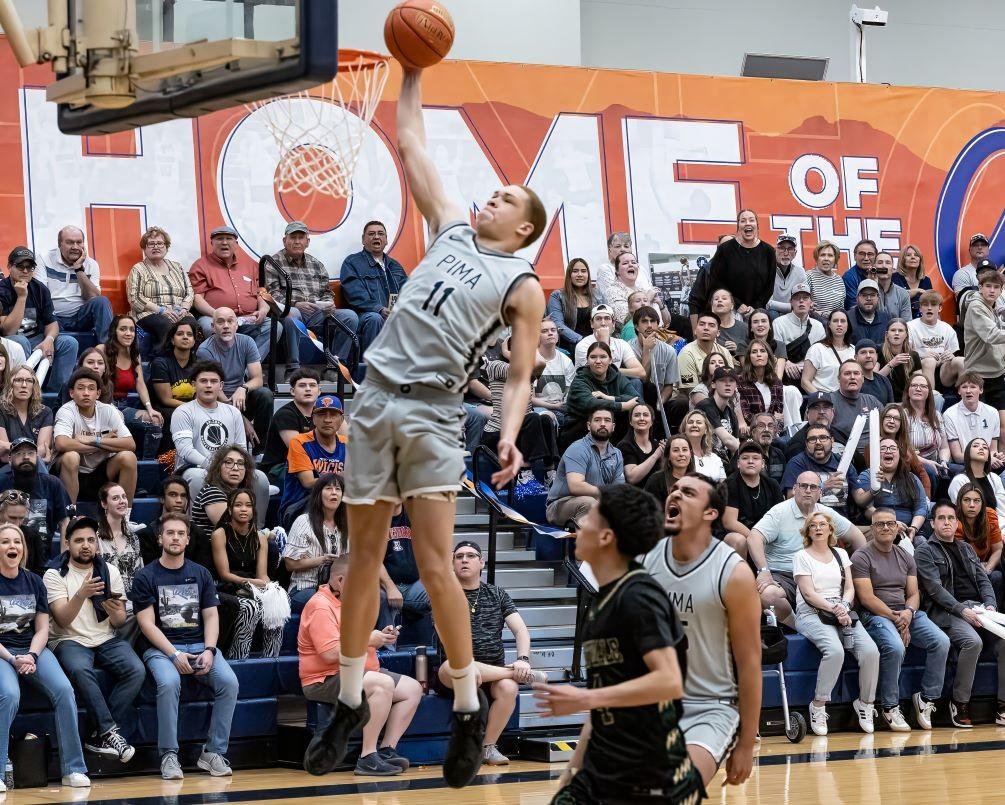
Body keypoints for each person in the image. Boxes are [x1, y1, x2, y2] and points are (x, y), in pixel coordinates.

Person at [317, 65, 548, 789]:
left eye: (507, 197)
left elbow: (518, 375)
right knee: (361, 556)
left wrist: (508, 431)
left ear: (523, 227)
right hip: (375, 399)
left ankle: (468, 704)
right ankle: (351, 698)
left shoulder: (523, 283)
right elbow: (410, 140)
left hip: (433, 410)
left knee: (437, 561)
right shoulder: (448, 229)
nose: (492, 195)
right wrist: (412, 71)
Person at [535, 484, 705, 802]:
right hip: (602, 768)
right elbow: (603, 702)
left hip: (647, 775)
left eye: (589, 520)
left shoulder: (639, 596)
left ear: (606, 537)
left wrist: (585, 699)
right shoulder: (602, 599)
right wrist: (571, 774)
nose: (577, 528)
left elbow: (669, 681)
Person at [641, 473, 760, 787]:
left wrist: (746, 743)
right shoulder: (644, 561)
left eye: (688, 492)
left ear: (711, 513)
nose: (676, 495)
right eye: (674, 490)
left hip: (710, 707)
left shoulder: (733, 573)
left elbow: (750, 665)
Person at [130, 512, 238, 780]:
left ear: (188, 539)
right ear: (160, 538)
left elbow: (211, 616)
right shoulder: (145, 576)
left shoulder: (200, 573)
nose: (175, 538)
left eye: (180, 533)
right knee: (169, 683)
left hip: (200, 643)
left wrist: (210, 651)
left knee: (230, 682)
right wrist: (174, 653)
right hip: (161, 648)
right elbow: (147, 625)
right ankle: (168, 754)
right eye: (170, 533)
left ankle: (213, 752)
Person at [298, 553, 421, 776]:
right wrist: (368, 640)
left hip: (361, 671)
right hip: (325, 678)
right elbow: (329, 654)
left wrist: (381, 637)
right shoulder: (320, 606)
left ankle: (386, 750)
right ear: (340, 581)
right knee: (382, 684)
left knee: (412, 689)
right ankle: (367, 757)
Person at [45, 516, 144, 761]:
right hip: (68, 639)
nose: (86, 545)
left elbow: (119, 621)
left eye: (91, 540)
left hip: (105, 637)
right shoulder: (54, 574)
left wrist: (114, 610)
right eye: (79, 540)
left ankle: (99, 734)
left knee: (136, 670)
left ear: (97, 544)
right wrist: (81, 594)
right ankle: (110, 732)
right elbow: (62, 621)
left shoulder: (109, 571)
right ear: (67, 544)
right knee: (80, 670)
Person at [437, 541, 544, 766]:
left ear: (481, 563)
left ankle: (487, 747)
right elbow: (447, 639)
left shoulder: (496, 593)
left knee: (509, 687)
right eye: (458, 556)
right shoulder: (444, 595)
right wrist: (516, 670)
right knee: (468, 670)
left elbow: (521, 630)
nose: (464, 560)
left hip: (492, 671)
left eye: (471, 556)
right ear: (452, 564)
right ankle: (511, 673)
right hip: (453, 668)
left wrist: (523, 659)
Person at [0, 523, 91, 790]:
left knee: (64, 690)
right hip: (3, 652)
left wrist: (30, 655)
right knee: (9, 694)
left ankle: (73, 769)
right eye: (5, 542)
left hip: (32, 649)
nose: (12, 546)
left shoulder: (34, 581)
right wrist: (14, 659)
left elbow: (42, 629)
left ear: (23, 548)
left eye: (16, 542)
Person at [853, 507, 949, 731]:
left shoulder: (906, 555)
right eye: (880, 524)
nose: (885, 527)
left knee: (941, 642)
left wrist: (908, 613)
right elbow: (866, 598)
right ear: (873, 528)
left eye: (890, 523)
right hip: (876, 615)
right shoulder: (861, 556)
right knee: (895, 647)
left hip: (905, 613)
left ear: (897, 527)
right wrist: (897, 618)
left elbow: (914, 594)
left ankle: (926, 698)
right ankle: (889, 706)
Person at [915, 501, 1005, 727]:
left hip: (979, 608)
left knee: (1004, 641)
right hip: (947, 610)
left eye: (951, 518)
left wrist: (991, 605)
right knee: (972, 642)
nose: (947, 522)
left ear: (957, 522)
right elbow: (935, 590)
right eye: (942, 518)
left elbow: (984, 579)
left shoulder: (966, 548)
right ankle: (960, 701)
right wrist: (963, 611)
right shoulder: (925, 551)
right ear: (933, 523)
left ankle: (1002, 704)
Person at [793, 511, 879, 735]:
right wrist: (834, 609)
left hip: (841, 608)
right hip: (811, 612)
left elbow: (849, 588)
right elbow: (809, 595)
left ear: (831, 530)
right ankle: (818, 705)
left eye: (823, 525)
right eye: (814, 526)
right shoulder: (801, 556)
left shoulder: (841, 553)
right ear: (808, 531)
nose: (818, 528)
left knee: (871, 651)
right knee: (835, 651)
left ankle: (866, 704)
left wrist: (844, 607)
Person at [748, 471, 866, 626]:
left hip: (820, 574)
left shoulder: (826, 513)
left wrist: (856, 570)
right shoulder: (779, 511)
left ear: (820, 492)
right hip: (785, 575)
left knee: (855, 587)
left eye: (813, 487)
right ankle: (799, 627)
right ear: (795, 489)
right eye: (803, 486)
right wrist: (763, 571)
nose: (808, 490)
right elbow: (753, 538)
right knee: (768, 595)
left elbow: (857, 537)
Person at [170, 361, 269, 523]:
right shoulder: (183, 411)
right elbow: (185, 450)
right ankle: (195, 531)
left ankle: (256, 530)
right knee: (197, 477)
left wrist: (232, 467)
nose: (209, 386)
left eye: (214, 381)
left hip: (230, 466)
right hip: (195, 467)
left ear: (221, 385)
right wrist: (214, 467)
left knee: (260, 478)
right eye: (203, 381)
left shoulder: (233, 413)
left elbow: (241, 449)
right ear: (194, 385)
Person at [266, 221, 360, 380]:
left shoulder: (317, 264)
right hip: (287, 313)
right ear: (284, 240)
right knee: (292, 314)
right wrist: (295, 304)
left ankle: (334, 367)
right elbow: (271, 294)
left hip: (317, 313)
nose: (297, 241)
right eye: (293, 237)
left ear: (307, 242)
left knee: (350, 316)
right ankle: (293, 369)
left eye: (301, 237)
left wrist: (328, 304)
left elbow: (326, 291)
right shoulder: (273, 262)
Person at [210, 488, 281, 660]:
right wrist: (252, 582)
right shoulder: (220, 534)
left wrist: (268, 587)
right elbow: (224, 574)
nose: (244, 509)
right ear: (229, 509)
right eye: (238, 505)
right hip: (229, 586)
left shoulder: (260, 536)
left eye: (248, 505)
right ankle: (238, 658)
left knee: (279, 602)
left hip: (253, 585)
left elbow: (262, 574)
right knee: (250, 607)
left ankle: (271, 658)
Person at [53, 368, 137, 504]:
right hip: (73, 472)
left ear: (98, 393)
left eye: (91, 389)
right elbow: (62, 443)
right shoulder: (66, 411)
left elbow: (130, 444)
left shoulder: (108, 410)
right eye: (81, 388)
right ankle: (69, 516)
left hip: (101, 472)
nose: (86, 393)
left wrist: (94, 439)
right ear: (72, 393)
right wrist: (105, 445)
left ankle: (125, 518)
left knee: (128, 457)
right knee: (70, 456)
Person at [1, 247, 78, 392]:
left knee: (69, 342)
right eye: (20, 266)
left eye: (29, 267)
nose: (25, 271)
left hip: (36, 339)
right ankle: (17, 390)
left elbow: (52, 323)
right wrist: (22, 297)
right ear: (9, 267)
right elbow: (8, 330)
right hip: (8, 342)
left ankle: (56, 394)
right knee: (20, 342)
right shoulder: (2, 290)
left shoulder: (40, 289)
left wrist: (48, 339)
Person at [189, 226, 272, 359]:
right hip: (214, 316)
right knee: (208, 326)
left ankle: (249, 366)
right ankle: (223, 369)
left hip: (247, 317)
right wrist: (216, 314)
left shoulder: (251, 265)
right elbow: (197, 299)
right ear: (212, 243)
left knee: (274, 326)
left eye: (229, 239)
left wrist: (263, 310)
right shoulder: (201, 266)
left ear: (236, 244)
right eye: (219, 239)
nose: (224, 242)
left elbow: (261, 293)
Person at [196, 307, 274, 446]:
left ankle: (260, 451)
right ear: (213, 327)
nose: (226, 326)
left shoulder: (247, 342)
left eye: (230, 321)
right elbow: (213, 388)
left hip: (240, 398)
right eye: (220, 322)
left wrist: (243, 388)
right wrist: (242, 420)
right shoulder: (205, 350)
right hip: (216, 400)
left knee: (265, 395)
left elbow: (258, 379)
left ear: (236, 325)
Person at [339, 220, 408, 357]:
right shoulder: (352, 262)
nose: (376, 237)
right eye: (371, 234)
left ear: (386, 240)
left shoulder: (395, 266)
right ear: (363, 240)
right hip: (364, 315)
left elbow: (408, 292)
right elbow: (355, 294)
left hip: (392, 314)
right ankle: (370, 368)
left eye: (380, 234)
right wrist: (380, 309)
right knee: (375, 318)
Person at [99, 313, 164, 457]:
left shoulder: (135, 355)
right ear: (114, 331)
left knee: (154, 422)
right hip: (102, 406)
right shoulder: (102, 350)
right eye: (123, 329)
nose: (128, 333)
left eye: (132, 329)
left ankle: (147, 467)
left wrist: (149, 408)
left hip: (123, 407)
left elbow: (140, 382)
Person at [547, 408, 625, 528]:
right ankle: (588, 544)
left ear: (613, 426)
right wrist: (607, 494)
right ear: (589, 426)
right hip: (561, 504)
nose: (603, 423)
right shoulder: (578, 448)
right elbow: (576, 487)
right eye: (597, 420)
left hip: (599, 502)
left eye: (607, 420)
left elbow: (618, 489)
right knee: (590, 504)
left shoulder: (617, 453)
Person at [280, 394, 347, 528]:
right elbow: (309, 482)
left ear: (341, 420)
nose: (327, 420)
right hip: (300, 507)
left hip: (337, 503)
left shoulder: (348, 444)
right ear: (314, 418)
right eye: (322, 414)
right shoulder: (299, 442)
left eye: (333, 415)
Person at [37, 226, 113, 344]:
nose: (75, 247)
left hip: (80, 317)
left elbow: (93, 297)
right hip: (53, 317)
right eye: (69, 242)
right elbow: (40, 295)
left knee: (101, 302)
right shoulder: (44, 259)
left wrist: (79, 270)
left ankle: (107, 349)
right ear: (59, 244)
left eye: (79, 242)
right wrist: (51, 318)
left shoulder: (91, 264)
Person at [283, 474, 348, 613]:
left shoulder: (347, 525)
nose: (334, 493)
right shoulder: (304, 521)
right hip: (305, 587)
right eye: (328, 488)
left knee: (376, 596)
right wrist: (322, 560)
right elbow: (290, 564)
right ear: (318, 494)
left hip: (339, 588)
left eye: (338, 489)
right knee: (326, 601)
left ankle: (386, 633)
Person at [560, 342, 638, 450]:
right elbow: (590, 403)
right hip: (579, 431)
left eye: (603, 357)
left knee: (631, 415)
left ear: (610, 360)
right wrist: (621, 405)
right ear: (587, 360)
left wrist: (610, 397)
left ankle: (624, 454)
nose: (598, 361)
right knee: (599, 416)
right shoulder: (580, 380)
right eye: (593, 357)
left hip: (610, 431)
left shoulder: (616, 376)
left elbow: (638, 399)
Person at [191, 445, 261, 566]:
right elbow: (234, 529)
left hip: (232, 550)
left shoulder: (240, 494)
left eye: (240, 463)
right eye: (228, 463)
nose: (235, 468)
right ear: (218, 467)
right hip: (211, 555)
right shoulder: (212, 492)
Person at [126, 227, 194, 347]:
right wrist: (162, 310)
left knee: (191, 326)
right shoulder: (138, 269)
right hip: (151, 314)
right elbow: (135, 299)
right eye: (151, 244)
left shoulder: (178, 267)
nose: (156, 247)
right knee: (166, 325)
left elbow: (189, 292)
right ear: (144, 248)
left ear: (166, 247)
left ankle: (190, 364)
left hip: (180, 312)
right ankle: (164, 362)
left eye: (160, 243)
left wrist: (183, 309)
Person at [853, 439, 929, 539]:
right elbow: (867, 509)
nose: (888, 451)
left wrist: (914, 528)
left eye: (893, 448)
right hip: (880, 529)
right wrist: (891, 524)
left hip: (910, 530)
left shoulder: (911, 478)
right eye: (883, 448)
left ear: (899, 455)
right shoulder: (867, 476)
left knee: (922, 544)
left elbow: (921, 506)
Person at [0, 438, 70, 546]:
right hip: (8, 552)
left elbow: (65, 522)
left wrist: (63, 559)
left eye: (31, 453)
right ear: (10, 459)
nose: (26, 457)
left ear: (37, 457)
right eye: (19, 453)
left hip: (42, 557)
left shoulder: (52, 484)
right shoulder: (1, 483)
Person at [963, 268, 1005, 439]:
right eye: (988, 286)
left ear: (1001, 290)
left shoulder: (995, 308)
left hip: (997, 373)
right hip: (977, 375)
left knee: (1002, 428)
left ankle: (1001, 464)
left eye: (996, 287)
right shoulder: (976, 307)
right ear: (980, 287)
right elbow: (992, 336)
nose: (992, 290)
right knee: (982, 430)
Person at [706, 209, 775, 313]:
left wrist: (756, 307)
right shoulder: (725, 249)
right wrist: (736, 304)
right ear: (738, 226)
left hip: (757, 311)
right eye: (743, 221)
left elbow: (769, 287)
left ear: (757, 225)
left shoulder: (768, 251)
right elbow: (716, 281)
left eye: (751, 220)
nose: (748, 223)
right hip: (729, 309)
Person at [260, 367, 321, 485]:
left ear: (319, 390)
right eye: (302, 385)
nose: (308, 389)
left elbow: (346, 441)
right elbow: (299, 450)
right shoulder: (285, 414)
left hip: (311, 463)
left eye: (312, 385)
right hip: (279, 467)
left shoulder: (322, 413)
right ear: (292, 391)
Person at [721, 442, 783, 551]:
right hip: (736, 535)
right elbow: (729, 522)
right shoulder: (730, 484)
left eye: (755, 458)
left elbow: (781, 516)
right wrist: (756, 539)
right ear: (738, 463)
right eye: (745, 458)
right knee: (738, 539)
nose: (750, 461)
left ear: (763, 463)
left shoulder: (772, 484)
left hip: (765, 534)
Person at [782, 424, 855, 515]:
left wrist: (874, 489)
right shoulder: (797, 463)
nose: (818, 442)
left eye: (823, 437)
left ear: (832, 441)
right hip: (809, 521)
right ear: (806, 444)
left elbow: (859, 497)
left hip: (841, 521)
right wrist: (824, 487)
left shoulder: (843, 462)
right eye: (812, 439)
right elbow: (790, 498)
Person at [148, 316, 200, 438]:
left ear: (193, 341)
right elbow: (166, 400)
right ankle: (169, 455)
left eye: (189, 334)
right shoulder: (160, 363)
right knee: (178, 415)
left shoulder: (199, 365)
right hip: (166, 409)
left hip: (192, 408)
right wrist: (194, 409)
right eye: (180, 334)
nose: (185, 337)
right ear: (172, 340)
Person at [629, 305, 680, 429]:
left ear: (658, 325)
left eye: (653, 321)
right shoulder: (627, 348)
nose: (649, 325)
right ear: (636, 326)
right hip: (634, 399)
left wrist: (658, 405)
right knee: (648, 386)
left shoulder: (669, 351)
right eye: (644, 321)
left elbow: (669, 385)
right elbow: (642, 379)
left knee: (681, 403)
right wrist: (646, 350)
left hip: (659, 398)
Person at [96, 482, 144, 606]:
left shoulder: (133, 538)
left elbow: (139, 574)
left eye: (124, 497)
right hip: (107, 602)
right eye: (115, 498)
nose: (122, 501)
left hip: (133, 603)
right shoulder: (94, 537)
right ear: (104, 504)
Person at [955, 483, 1003, 604]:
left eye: (977, 501)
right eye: (967, 500)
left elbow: (998, 549)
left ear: (982, 504)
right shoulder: (954, 520)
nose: (972, 505)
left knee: (996, 576)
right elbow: (963, 559)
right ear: (959, 502)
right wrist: (981, 568)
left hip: (985, 567)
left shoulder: (989, 516)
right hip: (963, 572)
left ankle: (994, 612)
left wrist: (987, 569)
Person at [572, 305, 646, 382]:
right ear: (592, 324)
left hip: (613, 386)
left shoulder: (621, 343)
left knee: (636, 382)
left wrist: (615, 371)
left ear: (613, 323)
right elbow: (599, 374)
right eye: (598, 319)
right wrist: (604, 341)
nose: (603, 323)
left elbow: (641, 372)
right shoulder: (583, 345)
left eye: (607, 318)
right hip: (590, 386)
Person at [903, 371, 951, 489]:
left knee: (961, 471)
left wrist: (944, 461)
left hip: (936, 461)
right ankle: (929, 504)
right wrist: (927, 462)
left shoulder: (936, 415)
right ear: (908, 391)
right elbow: (901, 449)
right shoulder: (901, 415)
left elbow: (944, 447)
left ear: (929, 392)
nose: (918, 389)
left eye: (923, 386)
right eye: (914, 385)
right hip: (912, 463)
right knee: (930, 470)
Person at [944, 373, 1003, 469]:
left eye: (973, 387)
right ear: (959, 391)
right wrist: (986, 458)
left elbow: (993, 450)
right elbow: (957, 456)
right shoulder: (949, 414)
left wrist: (995, 456)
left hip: (986, 462)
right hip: (963, 465)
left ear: (981, 390)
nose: (968, 391)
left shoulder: (993, 412)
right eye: (964, 387)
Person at [547, 258, 606, 352]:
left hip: (596, 343)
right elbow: (558, 325)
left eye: (583, 271)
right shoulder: (557, 296)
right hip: (569, 345)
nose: (580, 275)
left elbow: (606, 318)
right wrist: (582, 340)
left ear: (588, 274)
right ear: (569, 275)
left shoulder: (597, 294)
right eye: (575, 271)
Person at [908, 291, 964, 389]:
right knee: (930, 361)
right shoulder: (910, 326)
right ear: (920, 308)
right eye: (925, 305)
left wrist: (950, 355)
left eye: (933, 305)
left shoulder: (947, 328)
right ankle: (930, 399)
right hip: (920, 368)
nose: (929, 308)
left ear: (940, 308)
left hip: (943, 370)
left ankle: (964, 398)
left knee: (961, 360)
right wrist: (922, 355)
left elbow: (952, 352)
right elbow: (907, 353)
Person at [0, 363, 54, 465]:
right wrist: (32, 453)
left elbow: (43, 450)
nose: (24, 385)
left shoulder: (45, 412)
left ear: (34, 386)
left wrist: (9, 446)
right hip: (7, 468)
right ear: (10, 384)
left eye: (29, 381)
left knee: (52, 481)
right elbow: (3, 455)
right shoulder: (1, 410)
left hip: (35, 467)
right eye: (19, 380)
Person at [772, 283, 825, 385]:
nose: (801, 301)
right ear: (791, 302)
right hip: (786, 372)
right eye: (797, 298)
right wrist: (787, 363)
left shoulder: (818, 326)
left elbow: (822, 354)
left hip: (813, 375)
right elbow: (775, 351)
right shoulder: (779, 323)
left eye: (805, 298)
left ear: (811, 302)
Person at [827, 360, 883, 452]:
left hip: (876, 455)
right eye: (847, 374)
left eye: (856, 373)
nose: (852, 377)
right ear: (838, 379)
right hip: (843, 455)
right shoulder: (829, 401)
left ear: (863, 378)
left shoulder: (872, 400)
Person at [135, 475, 189, 565]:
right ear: (162, 499)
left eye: (183, 496)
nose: (179, 500)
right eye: (173, 495)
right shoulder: (144, 536)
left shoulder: (197, 534)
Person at [948, 438, 1005, 522]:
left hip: (996, 526)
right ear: (967, 454)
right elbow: (962, 514)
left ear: (988, 457)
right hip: (972, 528)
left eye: (985, 447)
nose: (981, 448)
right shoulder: (959, 480)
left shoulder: (994, 478)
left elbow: (1001, 511)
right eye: (975, 446)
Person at [677, 311, 735, 394]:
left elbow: (731, 380)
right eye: (702, 324)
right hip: (693, 398)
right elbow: (690, 389)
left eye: (711, 325)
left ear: (718, 333)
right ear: (695, 330)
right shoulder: (686, 353)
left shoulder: (724, 352)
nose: (706, 328)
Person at [533, 317, 575, 425]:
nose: (550, 333)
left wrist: (562, 405)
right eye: (544, 331)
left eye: (553, 330)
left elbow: (569, 392)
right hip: (536, 408)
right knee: (547, 418)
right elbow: (529, 399)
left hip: (561, 407)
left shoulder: (566, 361)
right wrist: (552, 406)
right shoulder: (531, 360)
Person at [606, 253, 664, 330]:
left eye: (633, 262)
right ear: (617, 271)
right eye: (625, 263)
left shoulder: (642, 289)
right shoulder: (612, 291)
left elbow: (665, 322)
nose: (631, 265)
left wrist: (661, 305)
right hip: (631, 337)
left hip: (658, 333)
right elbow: (624, 320)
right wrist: (648, 299)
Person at [802, 308, 854, 393]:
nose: (839, 324)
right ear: (829, 324)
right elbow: (805, 382)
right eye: (835, 321)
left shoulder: (854, 350)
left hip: (848, 400)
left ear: (848, 325)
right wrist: (822, 400)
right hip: (824, 400)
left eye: (843, 321)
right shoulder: (817, 349)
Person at [735, 338, 783, 428]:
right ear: (749, 357)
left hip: (772, 432)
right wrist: (768, 422)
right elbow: (746, 415)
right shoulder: (740, 382)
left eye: (762, 351)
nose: (758, 354)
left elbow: (779, 416)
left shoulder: (776, 383)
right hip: (751, 431)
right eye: (754, 352)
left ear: (768, 356)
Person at [696, 366, 743, 457]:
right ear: (713, 384)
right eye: (722, 380)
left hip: (724, 461)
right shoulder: (705, 406)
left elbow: (735, 444)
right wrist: (748, 451)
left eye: (731, 381)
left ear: (736, 386)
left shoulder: (730, 412)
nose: (728, 384)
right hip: (705, 458)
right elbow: (727, 440)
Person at [617, 404, 664, 488]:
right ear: (630, 422)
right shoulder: (625, 445)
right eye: (637, 415)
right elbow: (632, 477)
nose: (642, 418)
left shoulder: (657, 445)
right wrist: (656, 455)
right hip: (635, 497)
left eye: (645, 415)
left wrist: (665, 456)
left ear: (652, 421)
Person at [785, 391, 840, 460]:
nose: (821, 412)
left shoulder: (839, 433)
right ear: (807, 413)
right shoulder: (797, 444)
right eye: (816, 408)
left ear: (833, 412)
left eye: (826, 407)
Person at [878, 318, 921, 403]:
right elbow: (874, 380)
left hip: (907, 400)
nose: (896, 333)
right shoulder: (878, 351)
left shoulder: (913, 355)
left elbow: (919, 380)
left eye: (900, 330)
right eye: (893, 330)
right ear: (887, 334)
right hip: (885, 400)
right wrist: (891, 364)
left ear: (906, 335)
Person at [644, 434, 694, 505]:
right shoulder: (656, 481)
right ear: (668, 456)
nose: (681, 454)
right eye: (676, 450)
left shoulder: (698, 480)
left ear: (690, 454)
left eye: (685, 450)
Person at [766, 233, 807, 318]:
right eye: (782, 248)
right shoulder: (765, 269)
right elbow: (766, 302)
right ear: (775, 251)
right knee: (772, 313)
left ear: (795, 253)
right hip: (771, 312)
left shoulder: (800, 272)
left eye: (790, 249)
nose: (786, 253)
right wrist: (792, 306)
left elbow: (803, 298)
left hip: (794, 312)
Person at [681, 409, 726, 482]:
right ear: (684, 429)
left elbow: (723, 486)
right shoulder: (681, 456)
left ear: (706, 429)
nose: (694, 425)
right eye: (690, 422)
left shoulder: (715, 458)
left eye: (698, 422)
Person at [806, 240, 845, 321]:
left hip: (835, 323)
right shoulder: (809, 276)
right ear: (817, 258)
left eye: (830, 255)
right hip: (815, 321)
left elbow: (841, 308)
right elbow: (805, 306)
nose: (826, 259)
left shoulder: (839, 280)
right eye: (822, 255)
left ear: (835, 259)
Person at [893, 243, 933, 318]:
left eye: (916, 255)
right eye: (908, 255)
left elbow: (932, 305)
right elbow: (891, 303)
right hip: (899, 322)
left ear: (920, 260)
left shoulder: (926, 280)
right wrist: (911, 293)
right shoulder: (894, 278)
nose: (913, 257)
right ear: (902, 260)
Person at [872, 252, 913, 322]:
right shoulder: (866, 291)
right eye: (880, 262)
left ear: (893, 269)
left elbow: (907, 324)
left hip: (896, 331)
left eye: (888, 263)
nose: (883, 266)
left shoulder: (903, 294)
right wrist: (873, 286)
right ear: (874, 267)